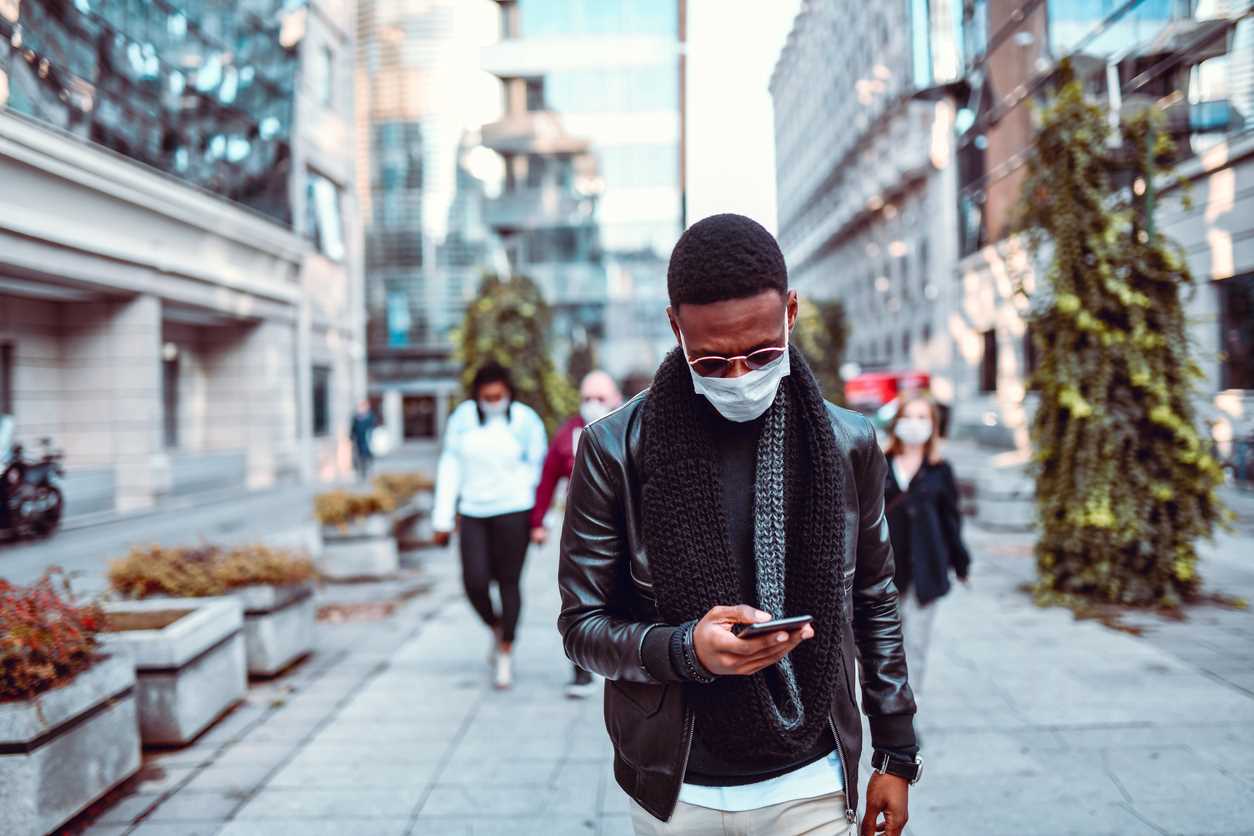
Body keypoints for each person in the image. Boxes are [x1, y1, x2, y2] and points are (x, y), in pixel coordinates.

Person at [558, 214, 920, 836]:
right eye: (712, 361)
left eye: (762, 354)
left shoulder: (847, 442)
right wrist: (685, 649)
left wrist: (896, 753)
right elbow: (581, 627)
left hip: (813, 776)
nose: (739, 375)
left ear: (792, 312)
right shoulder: (613, 448)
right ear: (675, 327)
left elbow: (873, 600)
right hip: (676, 789)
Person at [433, 363, 547, 690]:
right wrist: (442, 518)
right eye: (487, 397)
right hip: (473, 511)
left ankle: (506, 653)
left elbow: (539, 471)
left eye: (499, 396)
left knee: (509, 583)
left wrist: (541, 521)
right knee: (474, 581)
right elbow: (450, 465)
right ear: (477, 396)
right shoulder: (463, 419)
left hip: (514, 510)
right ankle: (495, 626)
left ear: (509, 394)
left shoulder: (525, 420)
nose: (493, 402)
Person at [531, 370, 624, 699]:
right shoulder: (568, 433)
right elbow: (547, 479)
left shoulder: (632, 425)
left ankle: (616, 658)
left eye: (600, 398)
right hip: (582, 527)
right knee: (581, 594)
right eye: (587, 399)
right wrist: (538, 522)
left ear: (614, 397)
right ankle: (581, 670)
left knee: (620, 594)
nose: (593, 405)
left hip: (626, 526)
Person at [882, 393, 971, 694]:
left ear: (933, 426)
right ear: (897, 423)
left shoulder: (940, 470)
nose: (915, 424)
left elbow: (951, 521)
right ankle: (886, 707)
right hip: (885, 573)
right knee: (883, 647)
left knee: (915, 646)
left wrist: (961, 564)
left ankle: (908, 714)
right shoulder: (879, 465)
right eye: (909, 416)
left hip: (926, 571)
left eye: (923, 418)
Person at [349, 400, 378, 481]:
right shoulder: (356, 417)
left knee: (367, 456)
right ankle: (361, 473)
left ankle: (368, 472)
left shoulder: (370, 417)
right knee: (359, 457)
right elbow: (353, 429)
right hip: (358, 441)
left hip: (368, 441)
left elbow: (373, 427)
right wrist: (351, 437)